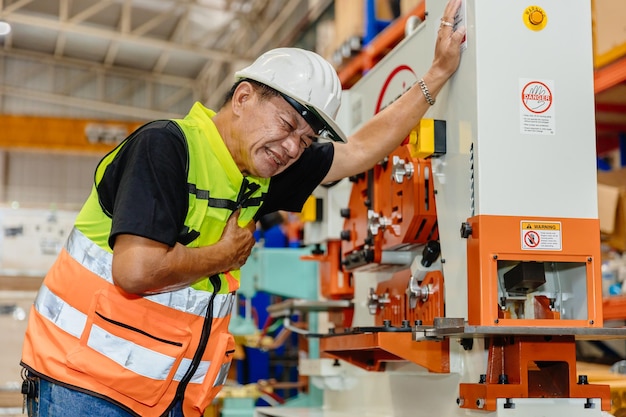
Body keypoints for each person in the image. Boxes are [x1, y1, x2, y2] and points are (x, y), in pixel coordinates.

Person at [20, 0, 466, 415]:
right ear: (243, 98)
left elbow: (361, 149)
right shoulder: (167, 147)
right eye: (287, 125)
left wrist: (438, 75)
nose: (292, 147)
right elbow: (134, 271)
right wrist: (222, 256)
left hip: (159, 397)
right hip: (83, 387)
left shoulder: (256, 172)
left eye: (306, 140)